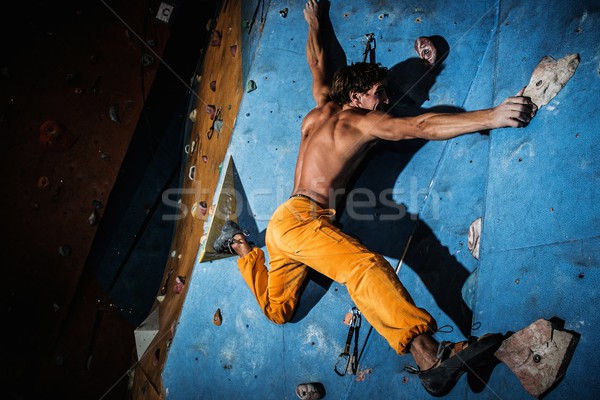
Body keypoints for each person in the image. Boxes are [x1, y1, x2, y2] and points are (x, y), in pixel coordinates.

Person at [213, 0, 537, 396]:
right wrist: (492, 115)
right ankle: (428, 355)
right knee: (364, 267)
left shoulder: (321, 107)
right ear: (356, 94)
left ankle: (242, 246)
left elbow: (318, 62)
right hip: (302, 221)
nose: (385, 102)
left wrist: (315, 20)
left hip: (284, 224)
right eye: (379, 93)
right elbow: (421, 125)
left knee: (279, 311)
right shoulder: (362, 123)